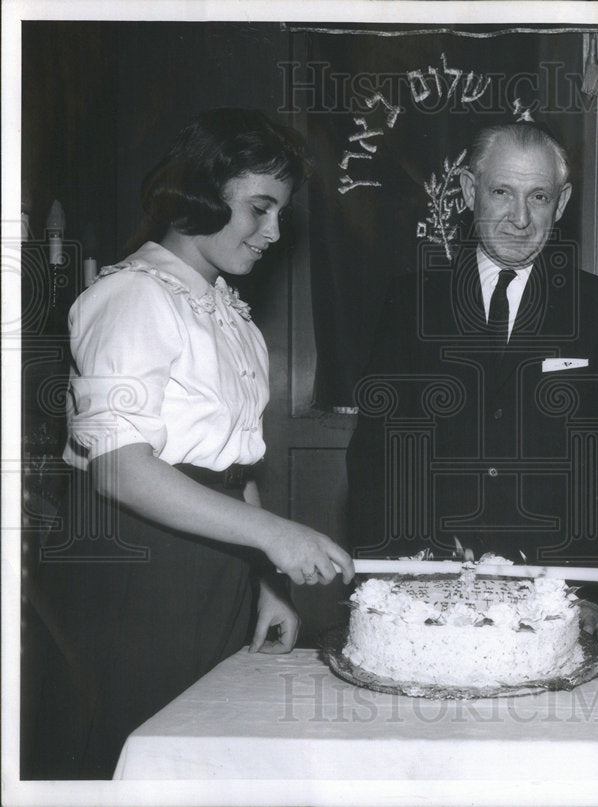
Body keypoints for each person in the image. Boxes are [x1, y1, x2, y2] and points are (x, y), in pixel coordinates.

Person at [29, 108, 354, 779]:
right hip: (141, 576)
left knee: (204, 761)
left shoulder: (230, 315)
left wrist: (268, 583)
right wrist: (273, 535)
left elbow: (234, 464)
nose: (273, 232)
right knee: (136, 754)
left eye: (280, 214)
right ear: (203, 192)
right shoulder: (130, 297)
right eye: (259, 208)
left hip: (215, 567)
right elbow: (120, 470)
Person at [347, 122, 598, 641]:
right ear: (468, 192)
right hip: (425, 584)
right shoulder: (409, 301)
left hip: (553, 590)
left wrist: (594, 592)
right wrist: (389, 576)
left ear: (562, 201)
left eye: (539, 196)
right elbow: (376, 451)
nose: (520, 217)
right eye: (501, 193)